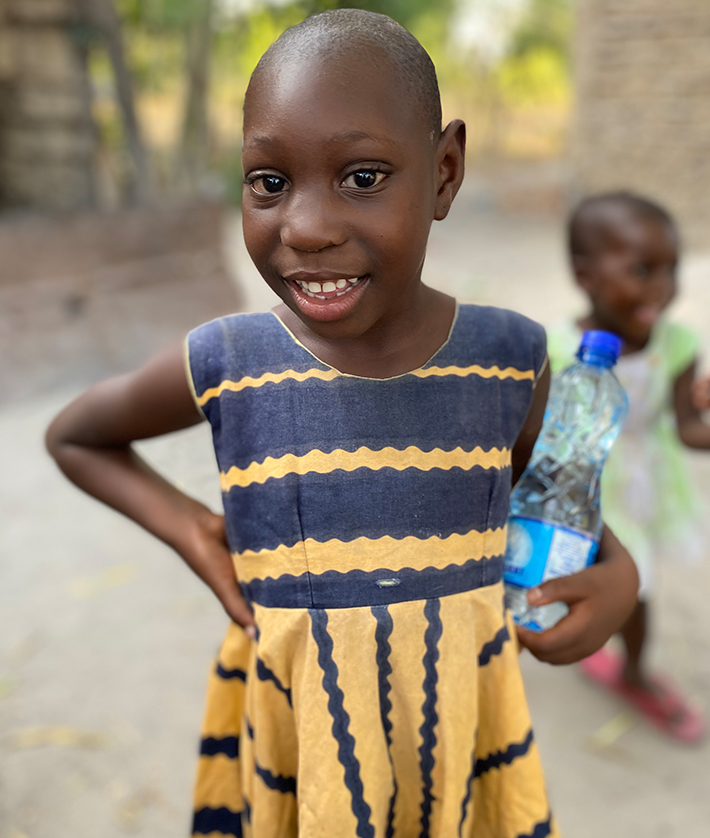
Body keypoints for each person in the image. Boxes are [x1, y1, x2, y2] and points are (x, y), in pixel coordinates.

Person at [46, 11, 638, 837]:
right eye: (269, 182)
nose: (308, 227)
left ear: (444, 171)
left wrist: (619, 575)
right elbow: (76, 436)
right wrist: (193, 532)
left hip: (458, 742)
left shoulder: (509, 360)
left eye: (362, 177)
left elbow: (559, 495)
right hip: (300, 752)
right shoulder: (228, 360)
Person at [547, 191, 709, 743]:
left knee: (636, 586)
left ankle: (634, 670)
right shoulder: (556, 349)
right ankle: (589, 638)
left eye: (671, 270)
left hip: (643, 486)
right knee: (579, 575)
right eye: (642, 270)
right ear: (584, 275)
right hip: (583, 492)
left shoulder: (679, 344)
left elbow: (689, 429)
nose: (661, 288)